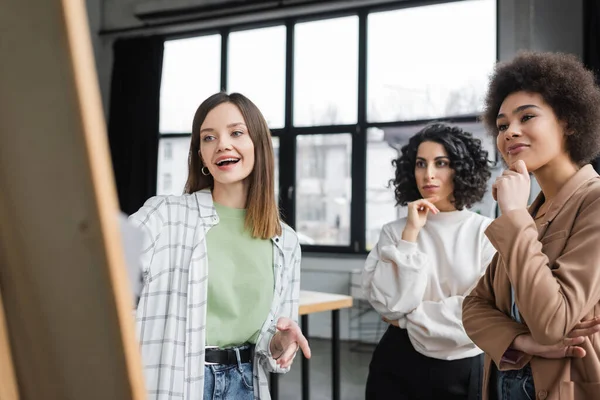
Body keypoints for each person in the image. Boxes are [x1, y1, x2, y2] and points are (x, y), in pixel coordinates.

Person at [130, 92, 311, 400]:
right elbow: (103, 270)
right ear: (201, 155)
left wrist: (280, 342)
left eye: (236, 133)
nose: (222, 144)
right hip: (175, 381)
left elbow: (270, 340)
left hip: (245, 383)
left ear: (259, 145)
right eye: (208, 138)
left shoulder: (285, 241)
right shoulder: (165, 216)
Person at [462, 51, 600, 400]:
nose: (511, 132)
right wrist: (522, 340)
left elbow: (554, 323)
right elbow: (475, 306)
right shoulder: (530, 213)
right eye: (503, 124)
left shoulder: (594, 201)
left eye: (527, 117)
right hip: (506, 384)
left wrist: (513, 215)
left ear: (568, 121)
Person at [363, 123, 495, 399]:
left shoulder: (486, 232)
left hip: (463, 367)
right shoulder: (395, 230)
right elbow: (387, 304)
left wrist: (407, 320)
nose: (429, 174)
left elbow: (481, 314)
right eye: (421, 164)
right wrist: (410, 235)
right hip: (396, 363)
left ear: (461, 169)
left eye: (441, 163)